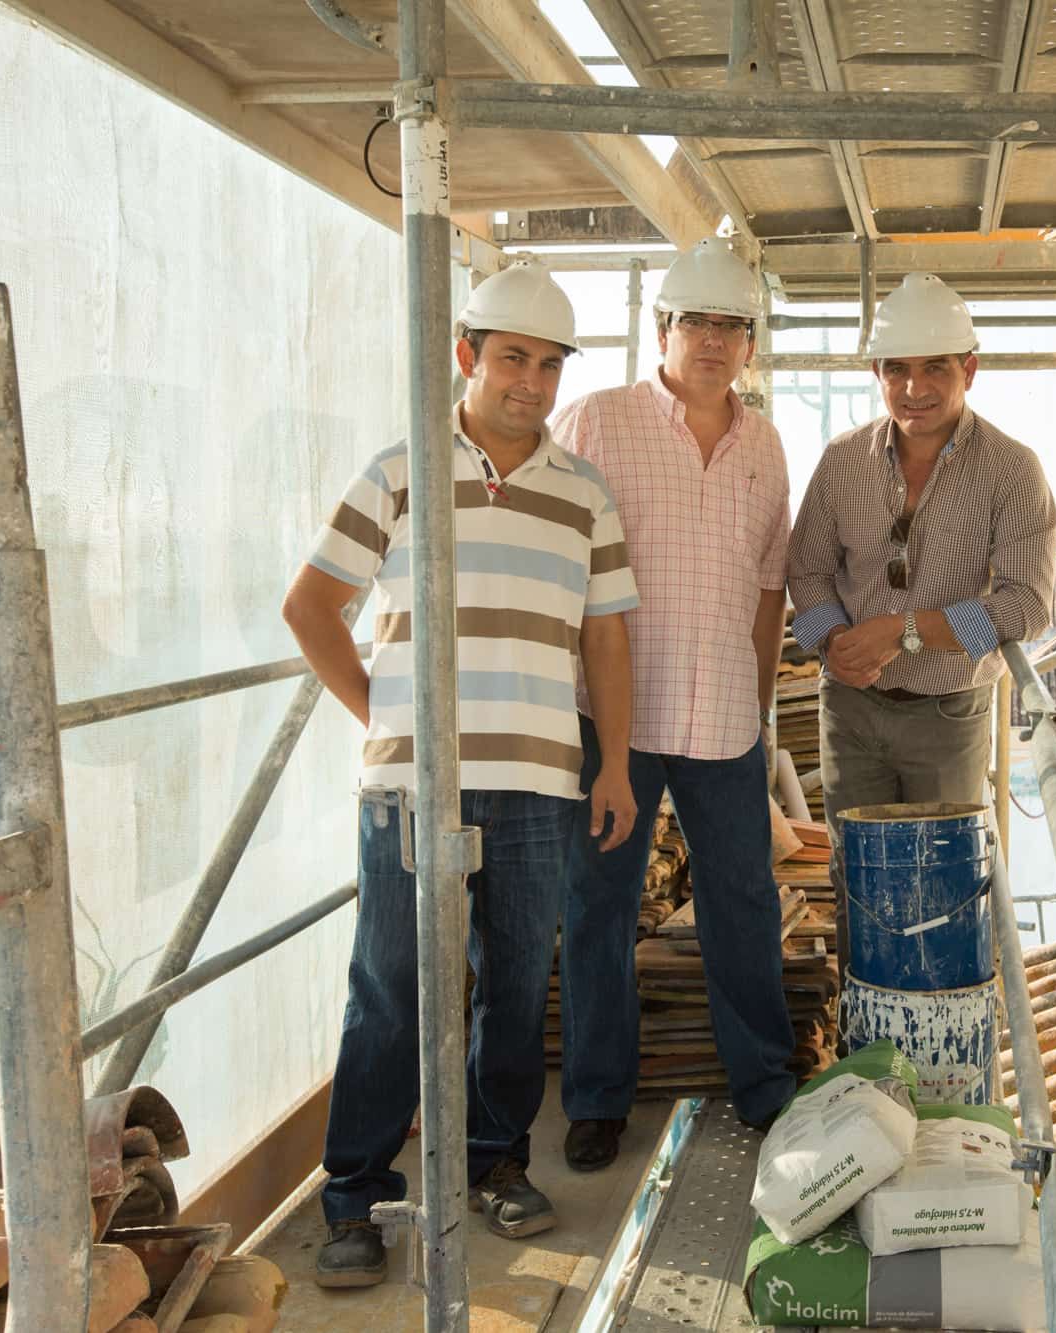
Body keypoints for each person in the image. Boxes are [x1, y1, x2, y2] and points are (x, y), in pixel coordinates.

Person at [281, 260, 639, 1288]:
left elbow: (607, 641)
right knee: (390, 990)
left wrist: (612, 764)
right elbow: (311, 609)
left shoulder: (583, 494)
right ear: (465, 356)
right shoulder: (399, 471)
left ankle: (495, 1164)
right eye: (513, 357)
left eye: (548, 363)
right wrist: (388, 719)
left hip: (537, 783)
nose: (531, 380)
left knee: (517, 986)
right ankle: (352, 1199)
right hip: (411, 788)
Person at [551, 238, 798, 1171]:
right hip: (612, 717)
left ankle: (764, 1084)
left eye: (731, 325)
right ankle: (597, 1099)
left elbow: (769, 585)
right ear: (662, 329)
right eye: (696, 321)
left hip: (725, 717)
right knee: (601, 903)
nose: (712, 341)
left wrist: (763, 710)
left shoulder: (764, 443)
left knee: (743, 898)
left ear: (748, 343)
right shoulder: (597, 422)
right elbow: (555, 561)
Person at [786, 271, 1056, 977]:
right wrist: (831, 643)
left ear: (969, 367)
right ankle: (869, 1053)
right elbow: (807, 571)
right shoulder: (841, 461)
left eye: (935, 366)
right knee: (862, 889)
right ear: (876, 373)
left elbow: (1025, 605)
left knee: (941, 896)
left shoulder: (1011, 470)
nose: (915, 387)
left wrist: (902, 631)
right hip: (849, 708)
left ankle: (941, 1057)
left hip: (949, 713)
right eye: (896, 369)